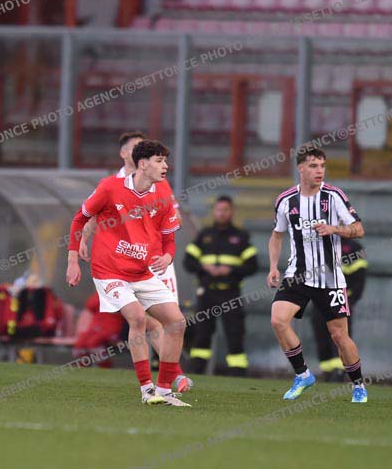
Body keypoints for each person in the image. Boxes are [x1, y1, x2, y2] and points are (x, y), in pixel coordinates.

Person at [66, 140, 189, 406]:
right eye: (159, 161)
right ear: (143, 164)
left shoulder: (163, 194)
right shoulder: (110, 187)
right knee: (137, 317)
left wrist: (168, 256)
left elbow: (169, 239)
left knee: (177, 323)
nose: (166, 166)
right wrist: (73, 259)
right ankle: (147, 390)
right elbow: (80, 218)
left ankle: (165, 391)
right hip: (109, 271)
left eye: (166, 161)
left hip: (142, 272)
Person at [267, 146, 368, 403]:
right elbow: (277, 235)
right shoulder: (286, 200)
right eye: (313, 166)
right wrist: (273, 266)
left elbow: (358, 229)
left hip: (330, 277)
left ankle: (358, 385)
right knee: (278, 320)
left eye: (322, 166)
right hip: (298, 274)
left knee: (339, 336)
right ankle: (302, 375)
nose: (319, 171)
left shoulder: (333, 196)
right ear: (300, 168)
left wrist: (334, 228)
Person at [183, 195, 258, 376]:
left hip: (230, 294)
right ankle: (196, 374)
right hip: (206, 293)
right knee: (201, 335)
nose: (222, 213)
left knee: (235, 334)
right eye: (218, 209)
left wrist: (230, 270)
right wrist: (204, 267)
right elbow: (188, 262)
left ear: (232, 212)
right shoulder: (204, 235)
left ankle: (238, 376)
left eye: (225, 210)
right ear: (213, 211)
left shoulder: (240, 237)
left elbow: (252, 265)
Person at [309, 237, 367, 381]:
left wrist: (350, 300)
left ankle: (341, 372)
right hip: (320, 300)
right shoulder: (319, 244)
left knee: (340, 336)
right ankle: (327, 372)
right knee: (321, 336)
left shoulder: (353, 248)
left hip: (340, 299)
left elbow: (359, 279)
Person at [73, 292, 125, 368]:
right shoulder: (100, 293)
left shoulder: (120, 292)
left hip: (112, 327)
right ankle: (82, 368)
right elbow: (90, 305)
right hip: (97, 326)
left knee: (93, 342)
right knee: (81, 342)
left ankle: (106, 367)